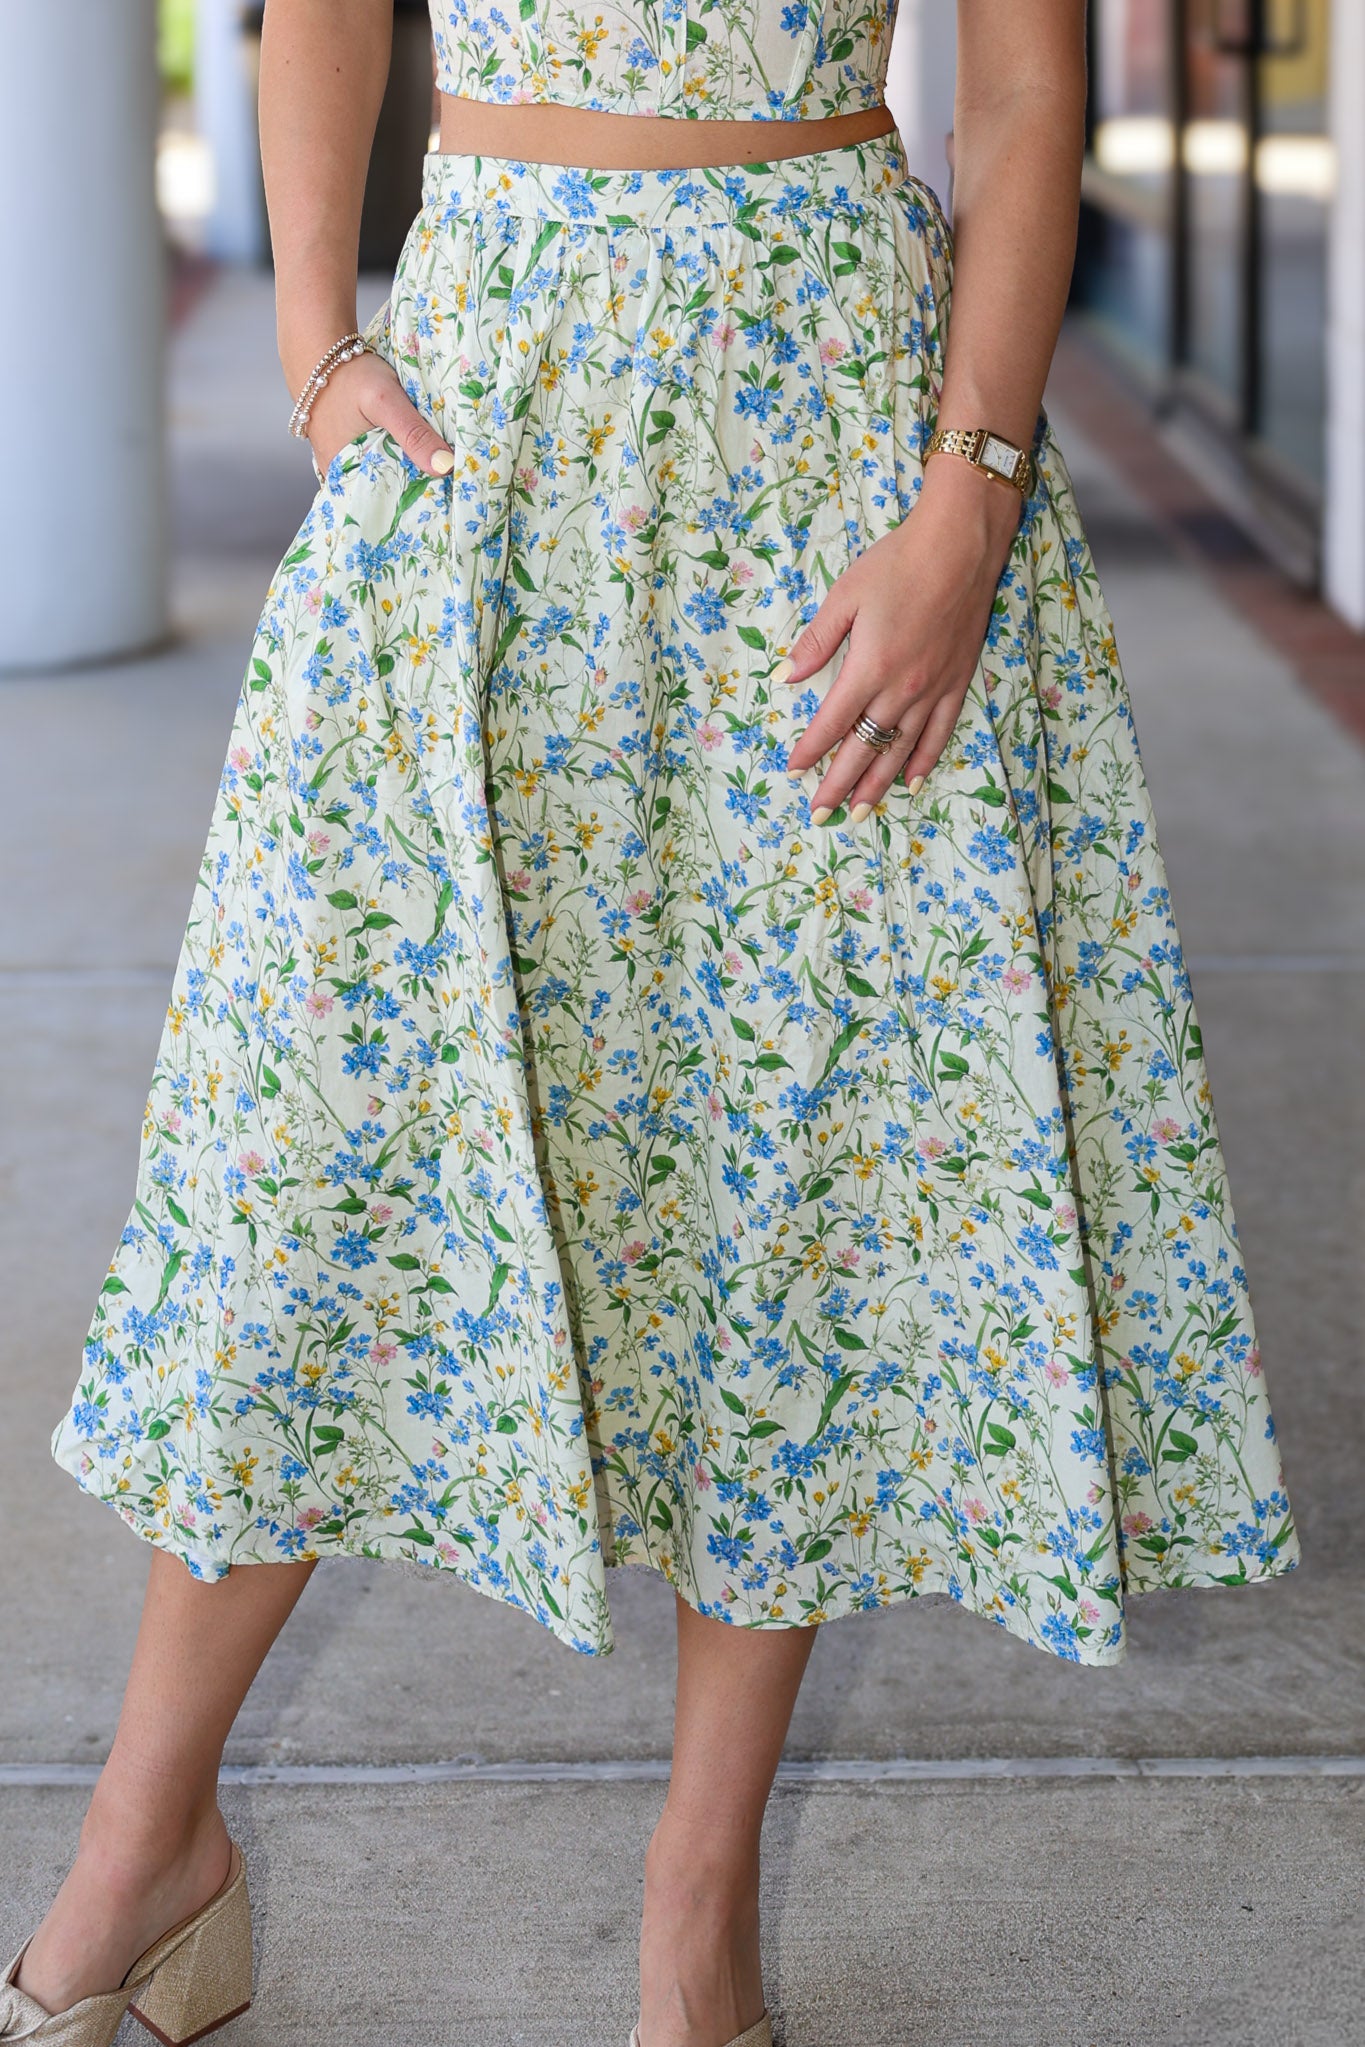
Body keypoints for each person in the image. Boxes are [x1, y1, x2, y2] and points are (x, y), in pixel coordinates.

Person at [7, 2, 1299, 2043]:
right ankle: (143, 1844)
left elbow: (1023, 82)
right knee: (317, 1146)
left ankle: (696, 1924)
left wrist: (966, 498)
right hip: (478, 427)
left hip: (829, 445)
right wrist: (318, 347)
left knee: (779, 1159)